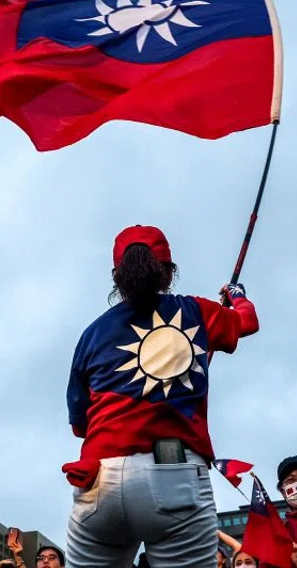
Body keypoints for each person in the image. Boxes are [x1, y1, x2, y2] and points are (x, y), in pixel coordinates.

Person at [64, 225, 260, 567]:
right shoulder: (197, 311)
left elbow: (79, 423)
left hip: (99, 477)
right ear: (168, 273)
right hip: (175, 473)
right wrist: (235, 295)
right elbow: (247, 322)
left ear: (116, 276)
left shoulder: (90, 334)